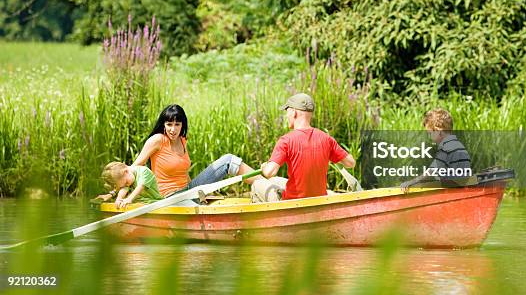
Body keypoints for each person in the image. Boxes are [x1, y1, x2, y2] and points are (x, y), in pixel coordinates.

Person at [101, 104, 260, 200]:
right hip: (169, 197)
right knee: (228, 160)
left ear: (182, 125)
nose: (173, 129)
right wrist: (114, 193)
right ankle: (266, 184)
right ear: (164, 125)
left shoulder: (183, 140)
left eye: (177, 124)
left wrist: (199, 193)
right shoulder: (157, 140)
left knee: (229, 161)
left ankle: (267, 183)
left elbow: (184, 173)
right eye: (169, 124)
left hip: (188, 191)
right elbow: (132, 170)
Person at [252, 93, 356, 202]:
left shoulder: (286, 141)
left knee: (256, 184)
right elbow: (351, 163)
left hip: (293, 203)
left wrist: (264, 168)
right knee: (276, 180)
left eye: (287, 111)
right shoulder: (327, 139)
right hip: (319, 201)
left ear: (294, 112)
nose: (286, 116)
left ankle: (267, 218)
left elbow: (269, 172)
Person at [401, 108, 471, 188]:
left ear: (438, 132)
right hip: (462, 188)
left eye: (430, 133)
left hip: (451, 191)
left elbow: (432, 171)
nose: (430, 137)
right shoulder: (459, 146)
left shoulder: (446, 148)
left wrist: (412, 182)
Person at [96, 161, 163, 209]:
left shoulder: (144, 172)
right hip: (138, 204)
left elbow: (140, 187)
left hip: (154, 203)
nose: (127, 185)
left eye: (126, 182)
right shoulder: (128, 177)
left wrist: (129, 199)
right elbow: (124, 189)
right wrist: (119, 199)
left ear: (126, 172)